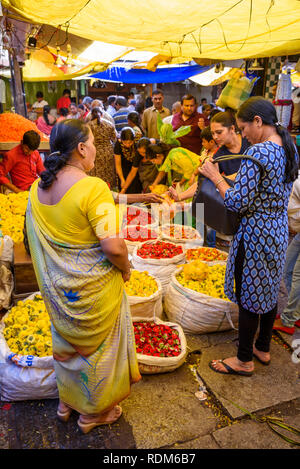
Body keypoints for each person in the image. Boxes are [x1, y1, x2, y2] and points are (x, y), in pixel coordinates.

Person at [26, 119, 141, 433]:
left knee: (68, 348)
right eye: (92, 143)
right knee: (97, 352)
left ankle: (67, 404)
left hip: (59, 293)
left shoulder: (37, 187)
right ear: (81, 148)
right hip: (93, 294)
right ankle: (93, 413)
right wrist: (127, 268)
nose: (94, 150)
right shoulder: (94, 188)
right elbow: (114, 247)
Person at [199, 96, 298, 376]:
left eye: (243, 129)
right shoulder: (287, 146)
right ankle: (262, 347)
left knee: (248, 295)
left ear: (257, 121)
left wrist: (214, 176)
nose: (243, 135)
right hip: (277, 229)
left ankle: (243, 359)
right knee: (268, 287)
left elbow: (236, 202)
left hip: (255, 233)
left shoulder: (259, 153)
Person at [273, 170, 300, 334]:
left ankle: (288, 320)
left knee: (297, 275)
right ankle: (295, 312)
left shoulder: (297, 183)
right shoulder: (290, 181)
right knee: (287, 269)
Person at [210, 111, 251, 177]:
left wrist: (227, 178)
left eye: (219, 132)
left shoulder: (249, 141)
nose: (215, 137)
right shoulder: (219, 156)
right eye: (212, 133)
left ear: (232, 128)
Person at [88, 107, 117, 189]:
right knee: (107, 172)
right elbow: (114, 139)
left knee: (96, 173)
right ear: (102, 114)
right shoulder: (109, 124)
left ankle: (96, 190)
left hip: (94, 151)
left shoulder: (88, 126)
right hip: (108, 151)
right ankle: (109, 190)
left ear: (91, 115)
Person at [114, 127, 142, 193]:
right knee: (122, 186)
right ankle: (122, 203)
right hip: (123, 168)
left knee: (135, 187)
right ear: (121, 140)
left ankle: (136, 203)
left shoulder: (137, 141)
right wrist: (122, 179)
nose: (128, 145)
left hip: (135, 167)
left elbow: (133, 170)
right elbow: (118, 164)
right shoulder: (118, 144)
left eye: (130, 142)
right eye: (125, 142)